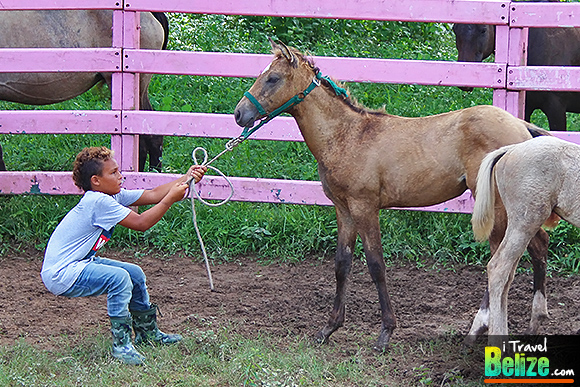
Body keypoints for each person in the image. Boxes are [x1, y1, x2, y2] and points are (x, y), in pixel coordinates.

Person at [41, 146, 207, 365]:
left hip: (78, 263)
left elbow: (153, 194)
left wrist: (187, 177)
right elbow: (141, 223)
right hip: (62, 274)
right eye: (114, 173)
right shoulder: (98, 202)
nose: (121, 176)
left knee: (134, 273)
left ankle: (147, 334)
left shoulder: (109, 196)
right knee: (118, 279)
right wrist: (170, 200)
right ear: (96, 181)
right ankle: (122, 346)